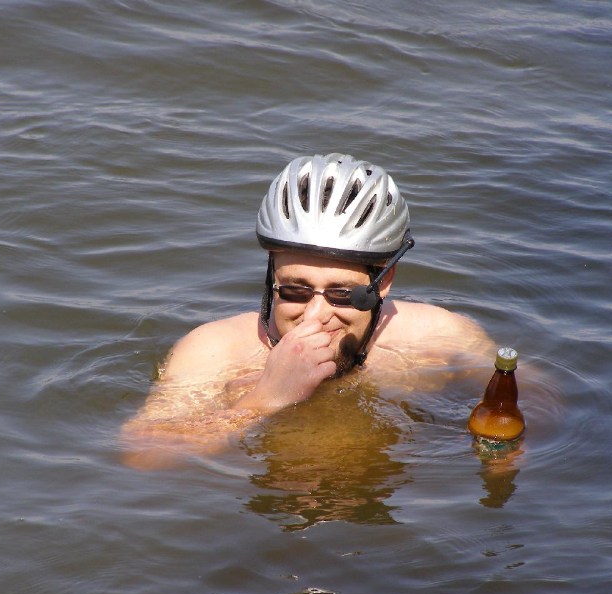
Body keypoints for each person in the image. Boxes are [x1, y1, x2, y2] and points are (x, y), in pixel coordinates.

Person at [122, 153, 497, 468]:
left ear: (383, 282)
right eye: (295, 291)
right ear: (271, 276)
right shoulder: (217, 351)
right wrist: (265, 400)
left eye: (342, 294)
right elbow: (142, 453)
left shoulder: (439, 338)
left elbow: (525, 402)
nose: (315, 315)